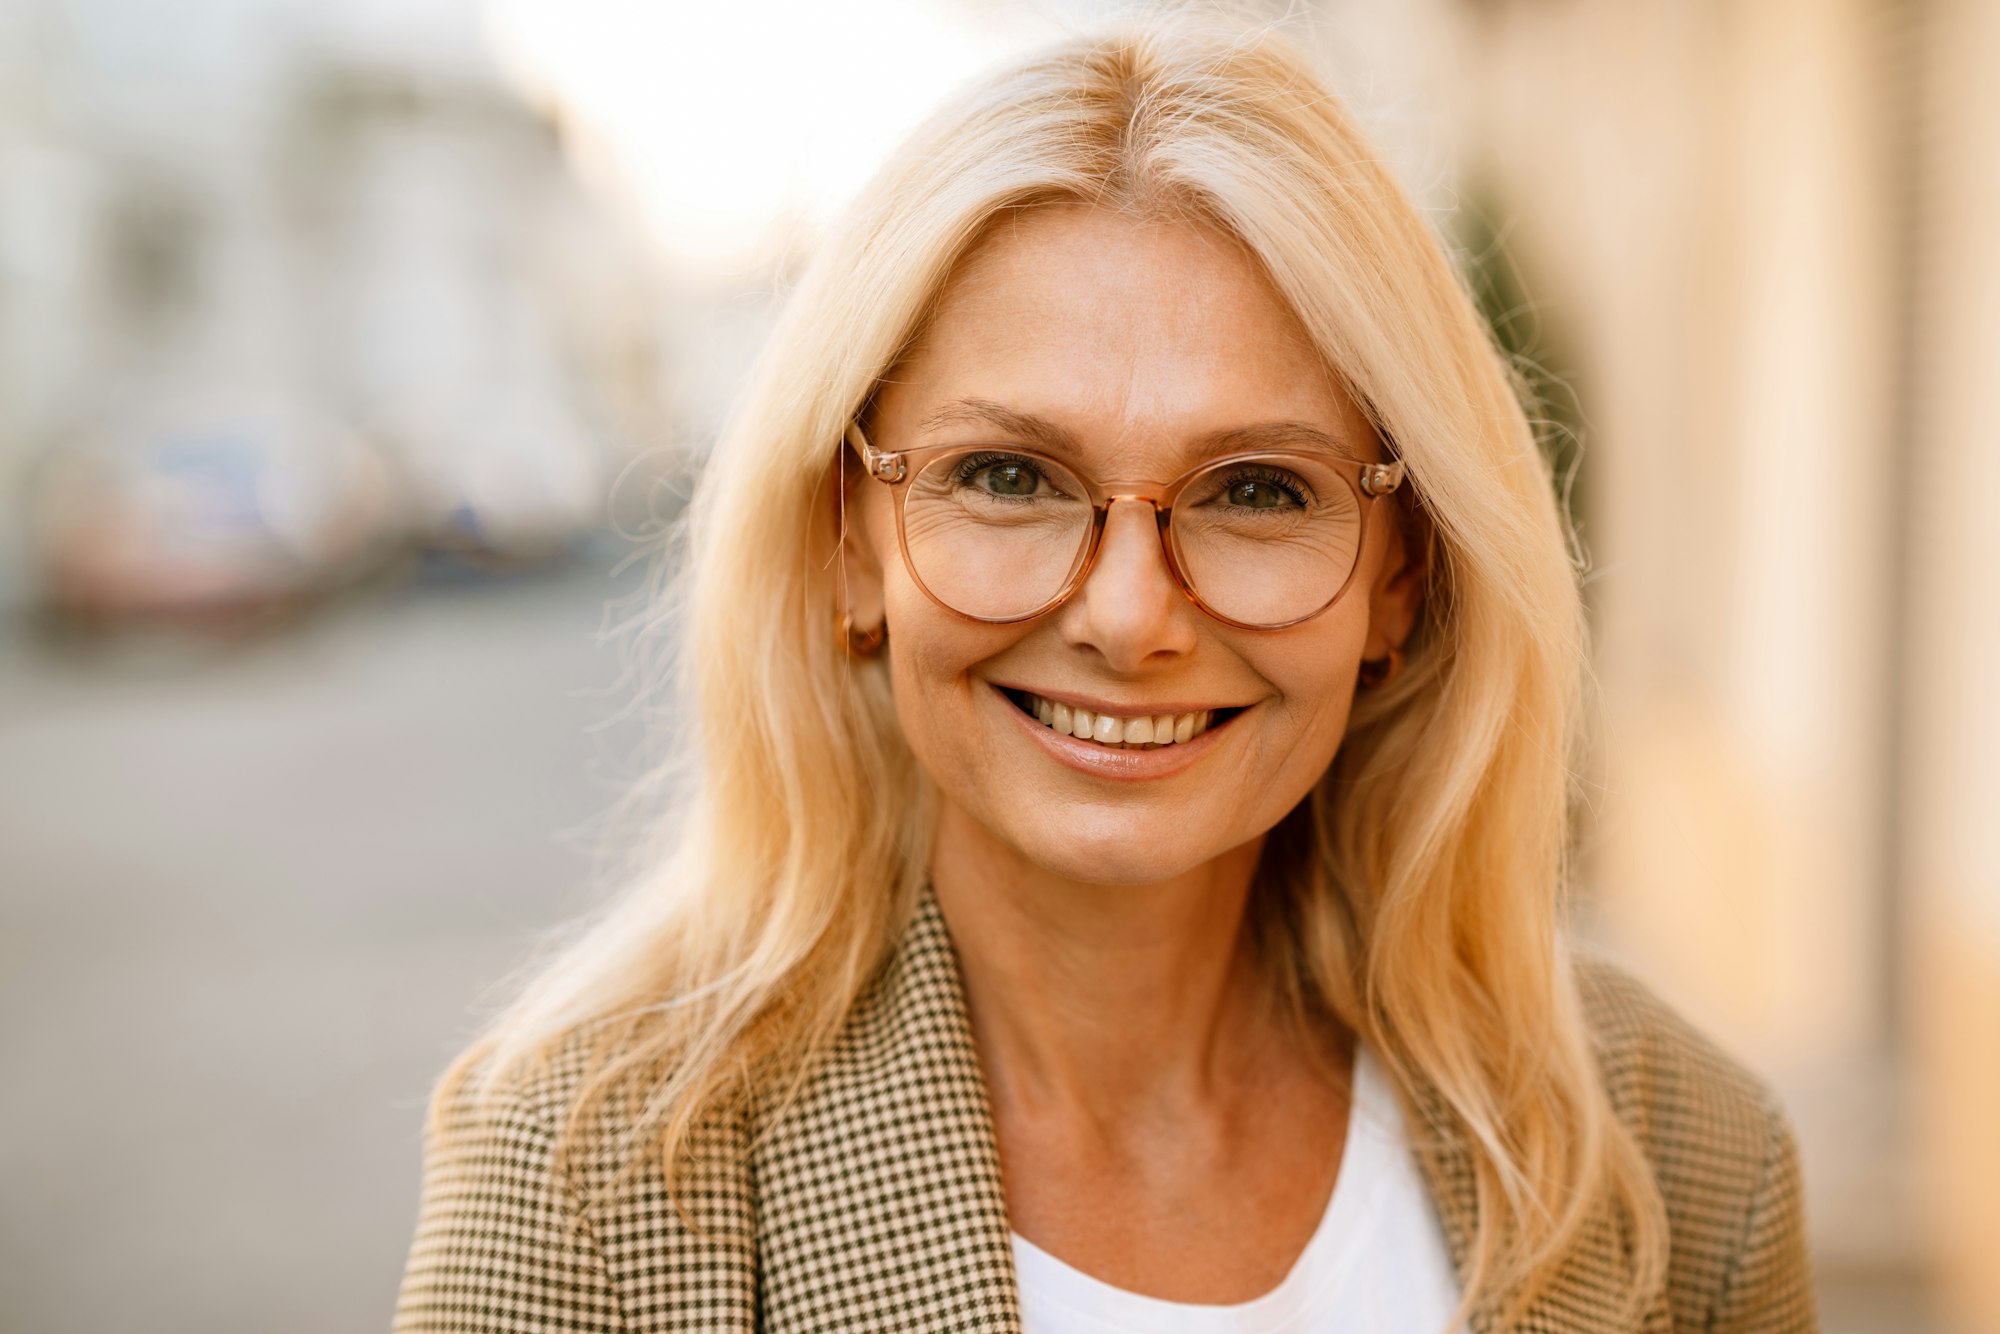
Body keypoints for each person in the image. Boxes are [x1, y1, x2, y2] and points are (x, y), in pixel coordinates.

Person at [393, 17, 1815, 1333]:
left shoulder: (1682, 1160)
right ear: (849, 543)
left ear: (1402, 575)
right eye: (1007, 474)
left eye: (1258, 489)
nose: (1129, 616)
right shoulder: (588, 1177)